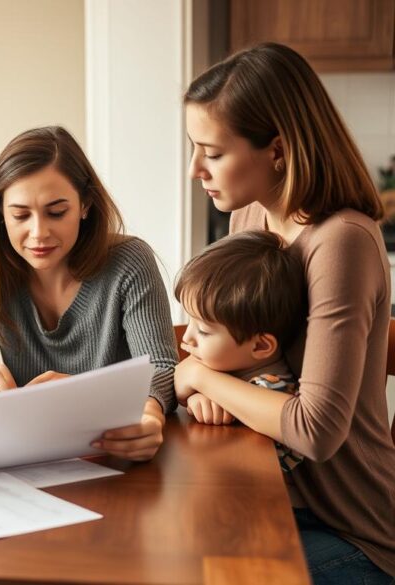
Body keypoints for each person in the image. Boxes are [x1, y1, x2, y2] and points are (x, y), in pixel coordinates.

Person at [177, 42, 395, 582]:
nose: (194, 169)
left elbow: (315, 429)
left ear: (277, 149)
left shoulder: (340, 242)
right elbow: (239, 356)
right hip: (269, 493)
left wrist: (200, 374)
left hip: (349, 528)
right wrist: (207, 386)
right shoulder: (252, 214)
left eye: (213, 151)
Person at [0, 126, 178, 462]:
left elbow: (162, 366)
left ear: (85, 205)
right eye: (20, 215)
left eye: (56, 212)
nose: (38, 233)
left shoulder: (129, 262)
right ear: (0, 213)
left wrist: (149, 414)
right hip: (31, 460)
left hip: (110, 456)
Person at [174, 230, 307, 473]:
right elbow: (181, 381)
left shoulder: (272, 391)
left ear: (260, 346)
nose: (187, 337)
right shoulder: (228, 368)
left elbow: (238, 464)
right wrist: (195, 396)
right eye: (190, 321)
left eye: (203, 331)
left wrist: (198, 382)